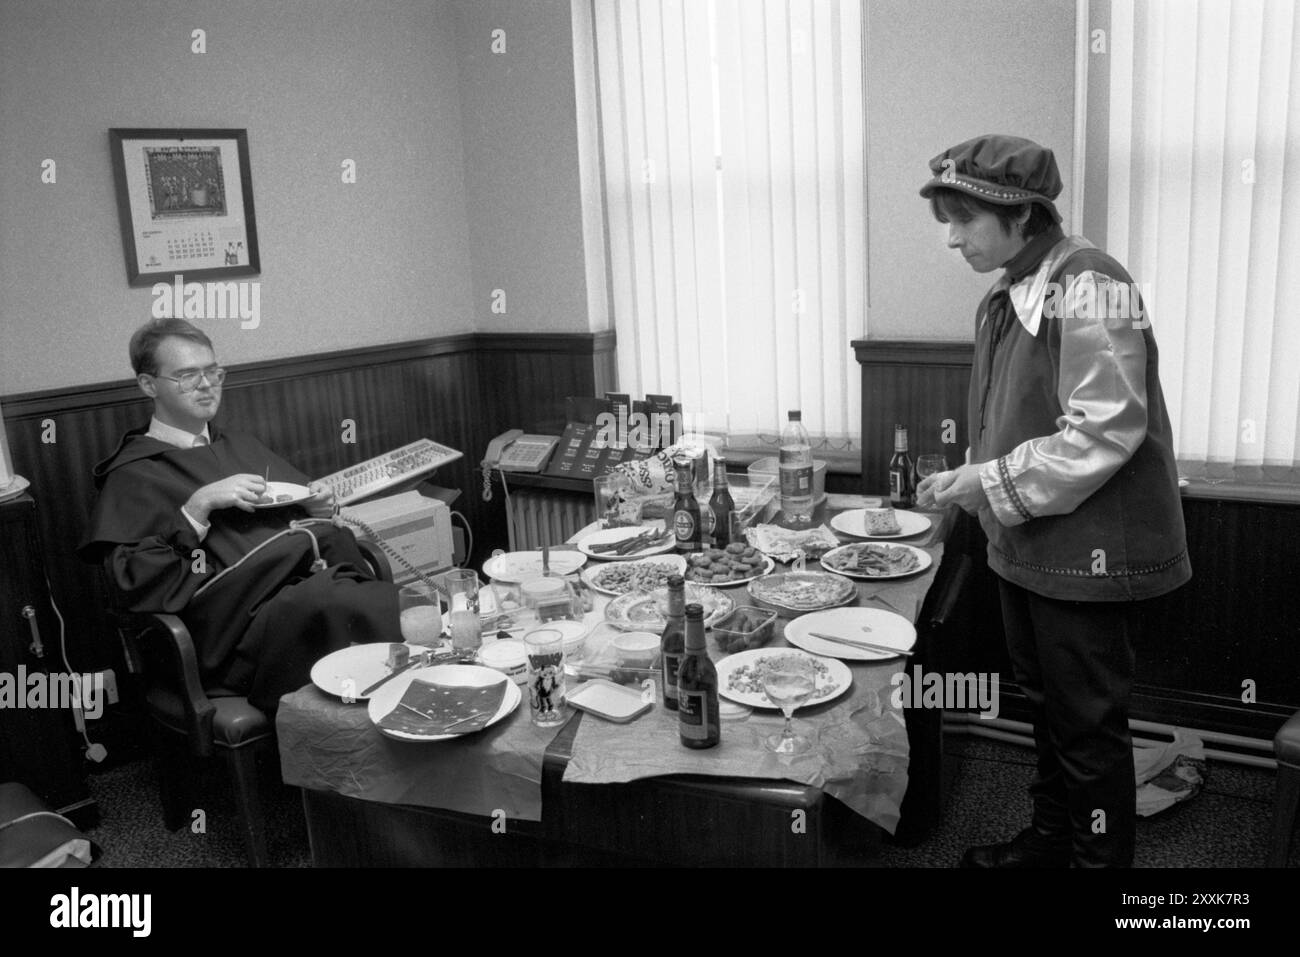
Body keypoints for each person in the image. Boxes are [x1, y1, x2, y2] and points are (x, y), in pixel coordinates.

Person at [916, 135, 1191, 868]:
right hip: (1029, 543)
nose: (952, 236)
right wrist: (968, 476)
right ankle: (1051, 841)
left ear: (1019, 212)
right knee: (1044, 709)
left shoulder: (1090, 280)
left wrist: (987, 481)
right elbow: (1015, 418)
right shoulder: (1010, 292)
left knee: (1088, 727)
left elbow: (1105, 426)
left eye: (964, 217)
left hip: (1087, 552)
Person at [80, 318, 401, 713]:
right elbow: (134, 583)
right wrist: (196, 508)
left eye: (213, 372)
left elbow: (297, 511)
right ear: (149, 385)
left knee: (360, 599)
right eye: (186, 375)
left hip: (303, 590)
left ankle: (431, 683)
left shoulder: (240, 444)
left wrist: (317, 506)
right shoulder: (133, 474)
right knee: (341, 603)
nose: (206, 384)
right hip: (228, 633)